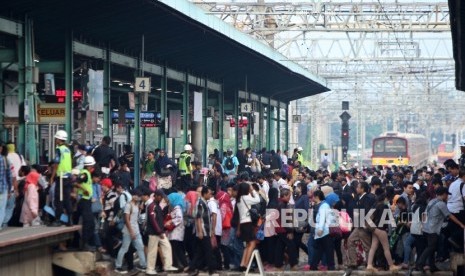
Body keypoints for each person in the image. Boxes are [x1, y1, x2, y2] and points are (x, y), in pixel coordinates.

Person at [417, 187, 465, 272]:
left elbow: (425, 214)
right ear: (443, 194)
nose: (447, 197)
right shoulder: (441, 204)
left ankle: (432, 266)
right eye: (447, 195)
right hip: (433, 229)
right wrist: (461, 224)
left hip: (426, 228)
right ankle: (420, 263)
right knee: (431, 247)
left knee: (432, 247)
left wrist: (423, 225)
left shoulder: (431, 201)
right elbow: (450, 216)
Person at [365, 189, 400, 272]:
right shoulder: (385, 207)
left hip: (374, 229)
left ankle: (369, 265)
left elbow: (368, 218)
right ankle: (391, 266)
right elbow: (389, 220)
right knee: (386, 248)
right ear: (385, 199)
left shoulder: (376, 205)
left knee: (373, 248)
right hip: (381, 229)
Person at [144, 189, 177, 275]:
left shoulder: (157, 206)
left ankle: (168, 265)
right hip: (154, 233)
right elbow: (152, 220)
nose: (161, 198)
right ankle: (150, 269)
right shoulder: (152, 206)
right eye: (160, 196)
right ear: (157, 196)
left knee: (167, 247)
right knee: (152, 251)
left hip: (159, 232)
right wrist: (159, 231)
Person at [186, 186, 217, 276]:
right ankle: (211, 270)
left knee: (199, 251)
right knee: (208, 250)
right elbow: (198, 218)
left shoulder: (204, 203)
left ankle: (192, 267)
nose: (210, 195)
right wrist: (199, 231)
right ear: (205, 193)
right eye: (209, 193)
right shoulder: (200, 203)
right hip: (203, 231)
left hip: (206, 230)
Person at [115, 189, 147, 274]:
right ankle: (118, 266)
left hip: (136, 230)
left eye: (140, 196)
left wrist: (140, 209)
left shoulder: (137, 205)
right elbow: (127, 219)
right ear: (134, 195)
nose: (139, 198)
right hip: (129, 231)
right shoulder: (128, 205)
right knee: (124, 248)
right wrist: (131, 231)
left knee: (140, 247)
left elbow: (135, 218)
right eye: (138, 196)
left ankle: (143, 265)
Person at [235, 182, 260, 272]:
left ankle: (242, 264)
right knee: (252, 243)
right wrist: (253, 191)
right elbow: (257, 200)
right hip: (247, 223)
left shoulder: (239, 199)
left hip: (242, 223)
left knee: (248, 244)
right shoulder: (246, 198)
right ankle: (245, 265)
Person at [50, 130, 73, 227]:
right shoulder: (68, 150)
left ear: (59, 139)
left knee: (58, 199)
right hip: (68, 177)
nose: (55, 140)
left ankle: (58, 219)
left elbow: (56, 164)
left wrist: (52, 177)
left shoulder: (59, 149)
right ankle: (70, 220)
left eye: (56, 138)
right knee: (67, 199)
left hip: (61, 177)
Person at [74, 156, 97, 251]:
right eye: (92, 166)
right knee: (88, 222)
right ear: (89, 166)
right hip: (84, 200)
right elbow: (76, 182)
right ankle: (84, 244)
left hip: (86, 201)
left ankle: (85, 243)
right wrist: (85, 190)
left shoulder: (87, 173)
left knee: (90, 223)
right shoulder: (85, 173)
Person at [310, 190, 335, 271]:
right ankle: (329, 267)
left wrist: (320, 229)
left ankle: (314, 266)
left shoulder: (323, 206)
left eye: (313, 196)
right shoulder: (322, 205)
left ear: (317, 197)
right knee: (323, 250)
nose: (312, 198)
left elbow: (322, 218)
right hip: (323, 231)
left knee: (323, 250)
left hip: (324, 231)